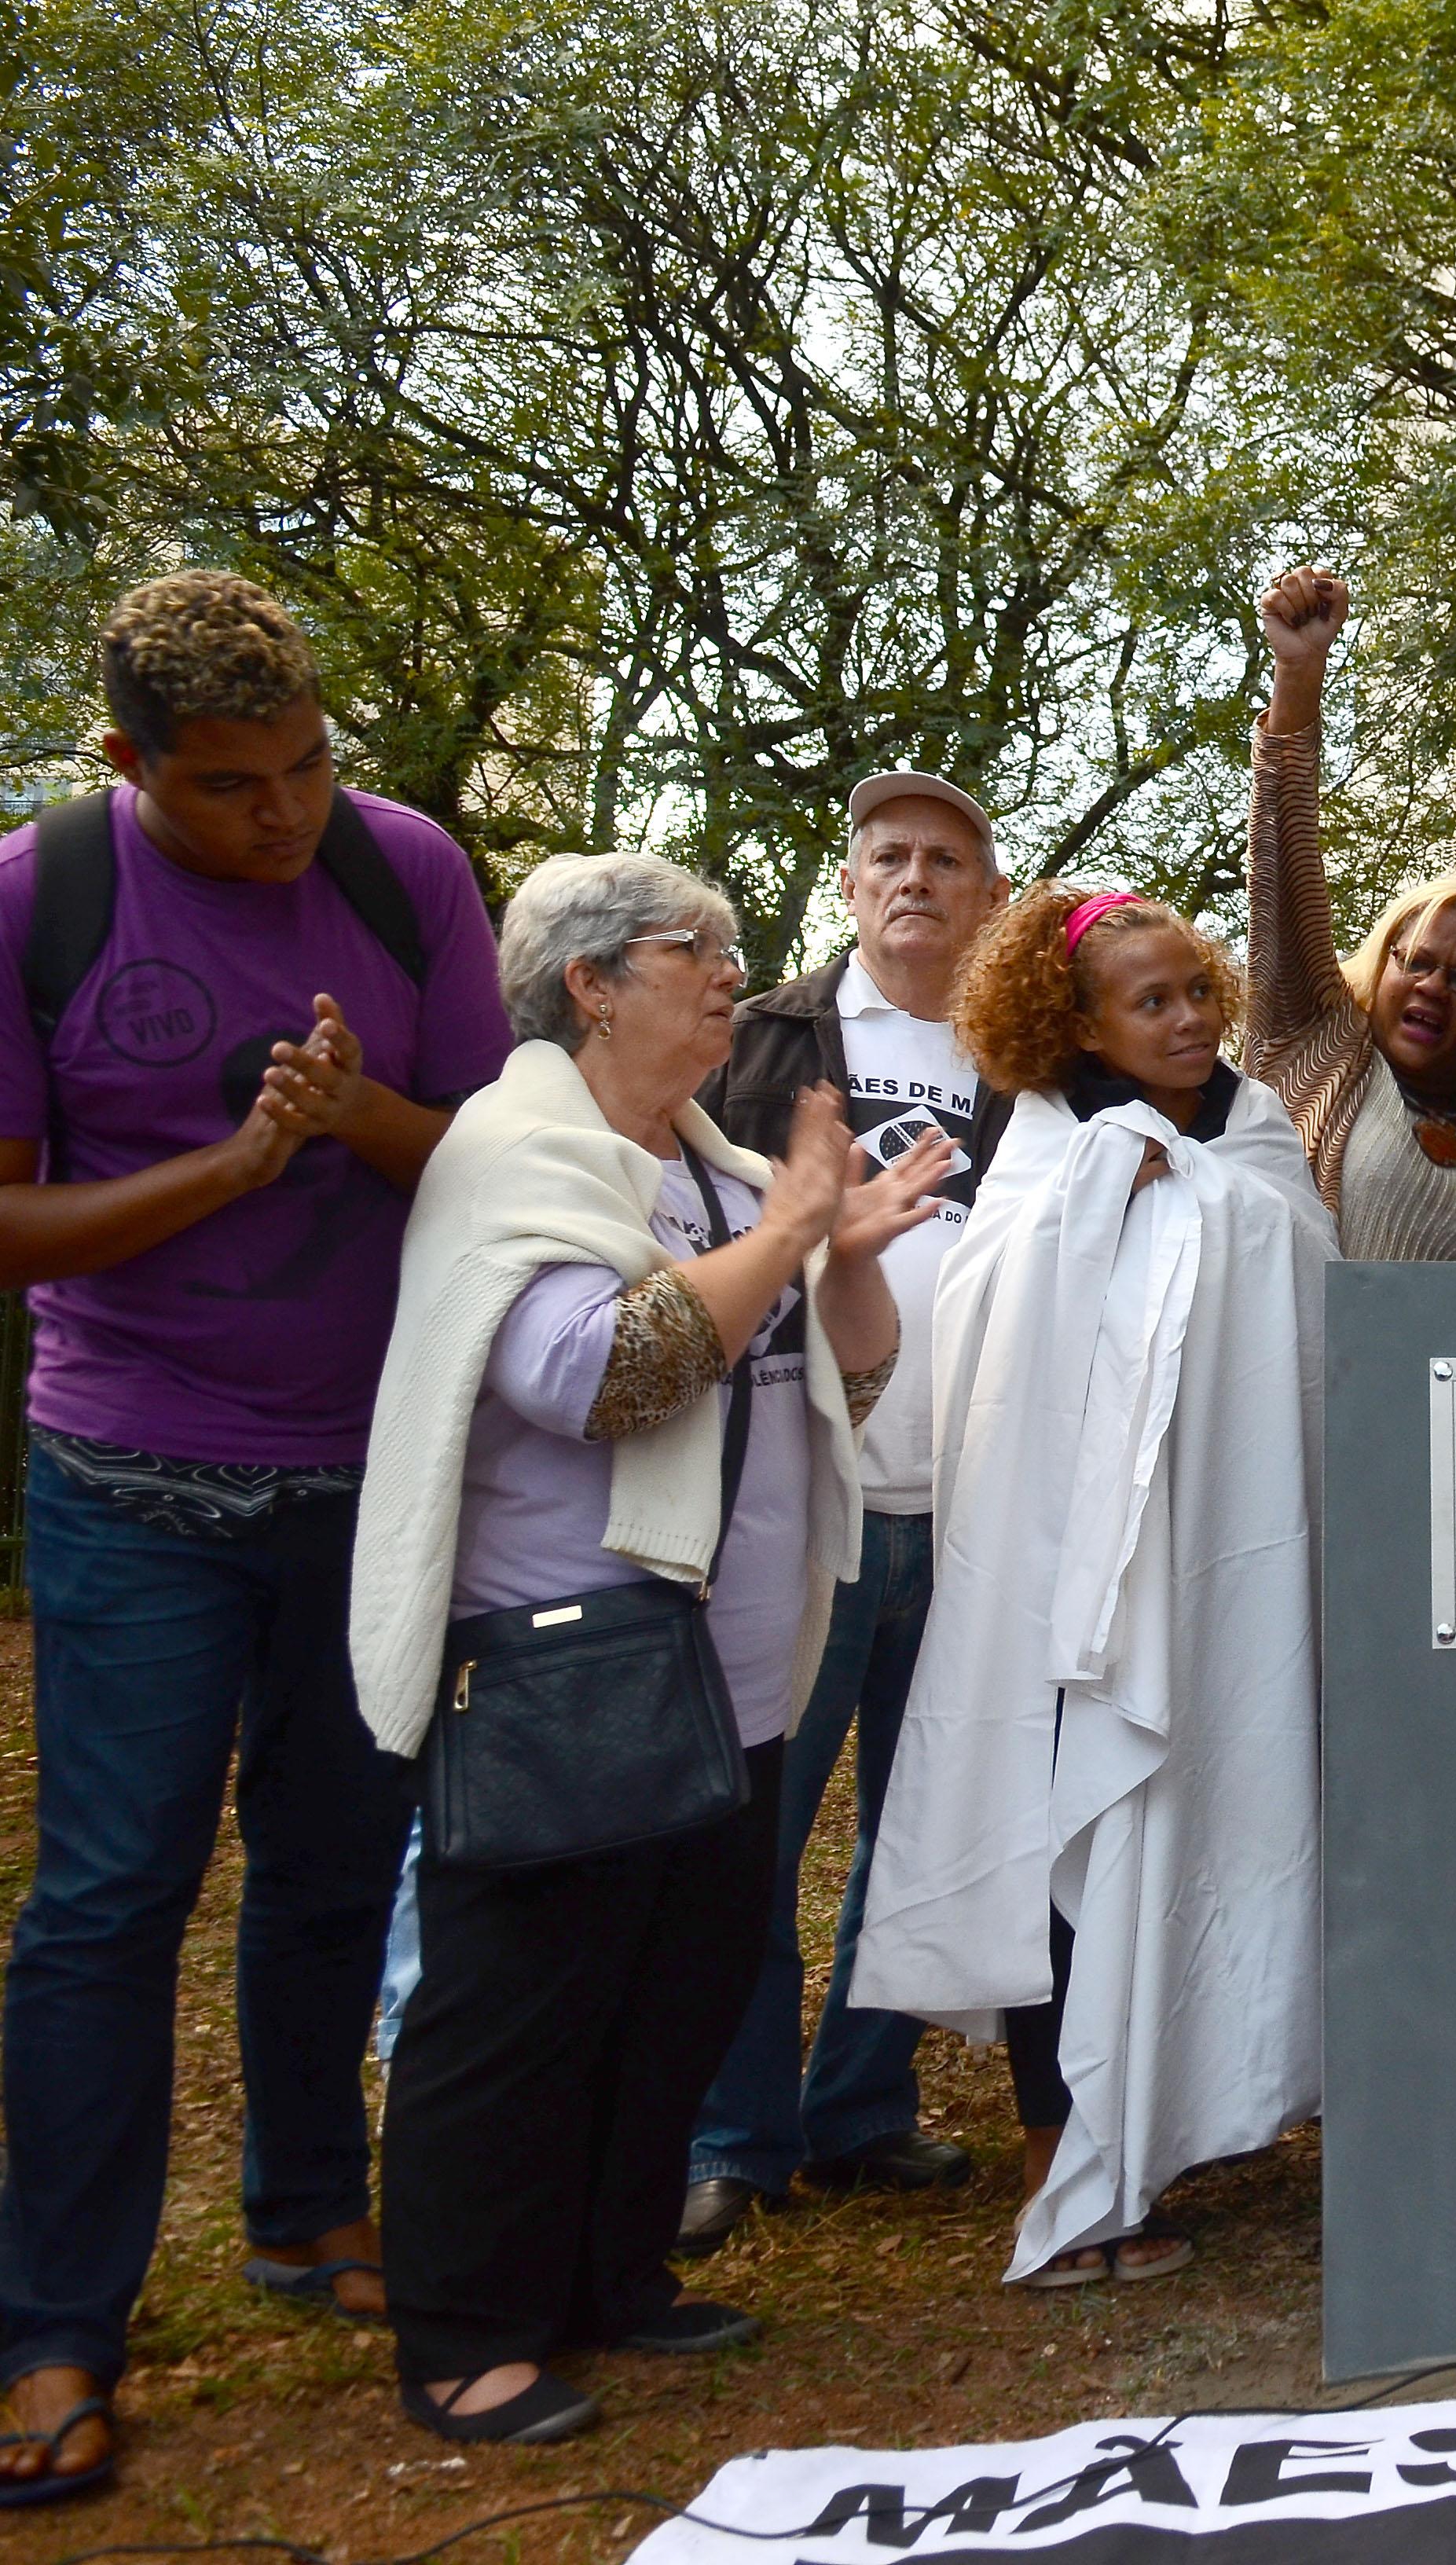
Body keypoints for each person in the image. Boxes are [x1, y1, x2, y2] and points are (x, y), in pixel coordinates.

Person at [0, 573, 513, 2507]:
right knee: (111, 1900)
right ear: (128, 760)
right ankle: (54, 2322)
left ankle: (309, 2214)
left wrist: (352, 1111)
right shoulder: (37, 896)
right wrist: (230, 1163)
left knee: (327, 1873)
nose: (282, 816)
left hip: (361, 1472)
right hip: (129, 1475)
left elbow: (488, 1153)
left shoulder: (404, 874)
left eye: (306, 769)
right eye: (230, 787)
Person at [349, 852, 944, 2442]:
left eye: (734, 951)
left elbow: (845, 1388)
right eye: (700, 952)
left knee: (671, 1992)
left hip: (735, 1679)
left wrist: (850, 1255)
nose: (732, 978)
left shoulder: (718, 1172)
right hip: (566, 1666)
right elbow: (605, 1379)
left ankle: (612, 2279)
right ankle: (466, 2334)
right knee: (522, 2005)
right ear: (592, 981)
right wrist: (798, 1228)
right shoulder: (517, 1152)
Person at [850, 882, 1332, 2288]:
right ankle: (1065, 2140)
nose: (1189, 1018)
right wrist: (1099, 1206)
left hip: (1226, 1565)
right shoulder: (1043, 1149)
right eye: (1152, 1000)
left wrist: (1189, 1198)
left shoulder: (1251, 1129)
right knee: (1080, 1826)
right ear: (1077, 1020)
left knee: (1225, 1816)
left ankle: (1203, 2095)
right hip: (1082, 1586)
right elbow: (991, 1320)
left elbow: (1300, 1281)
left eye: (1196, 989)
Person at [678, 770, 1010, 2256]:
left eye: (949, 859)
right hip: (801, 1495)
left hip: (978, 1498)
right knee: (759, 1819)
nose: (918, 879)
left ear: (989, 894)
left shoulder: (1030, 1061)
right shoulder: (764, 1045)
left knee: (918, 1819)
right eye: (891, 855)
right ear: (851, 880)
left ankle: (862, 2108)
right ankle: (735, 2131)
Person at [1239, 567, 1456, 1257]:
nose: (1436, 987)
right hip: (1301, 1367)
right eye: (1421, 963)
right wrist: (1299, 673)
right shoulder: (1315, 1048)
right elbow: (1282, 874)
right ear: (1383, 963)